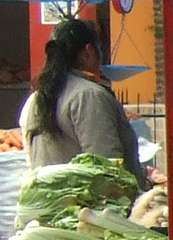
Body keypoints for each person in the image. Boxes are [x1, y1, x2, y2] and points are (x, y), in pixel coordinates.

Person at [20, 18, 146, 186]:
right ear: (88, 52)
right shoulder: (88, 95)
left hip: (54, 204)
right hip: (84, 208)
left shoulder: (39, 96)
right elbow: (107, 166)